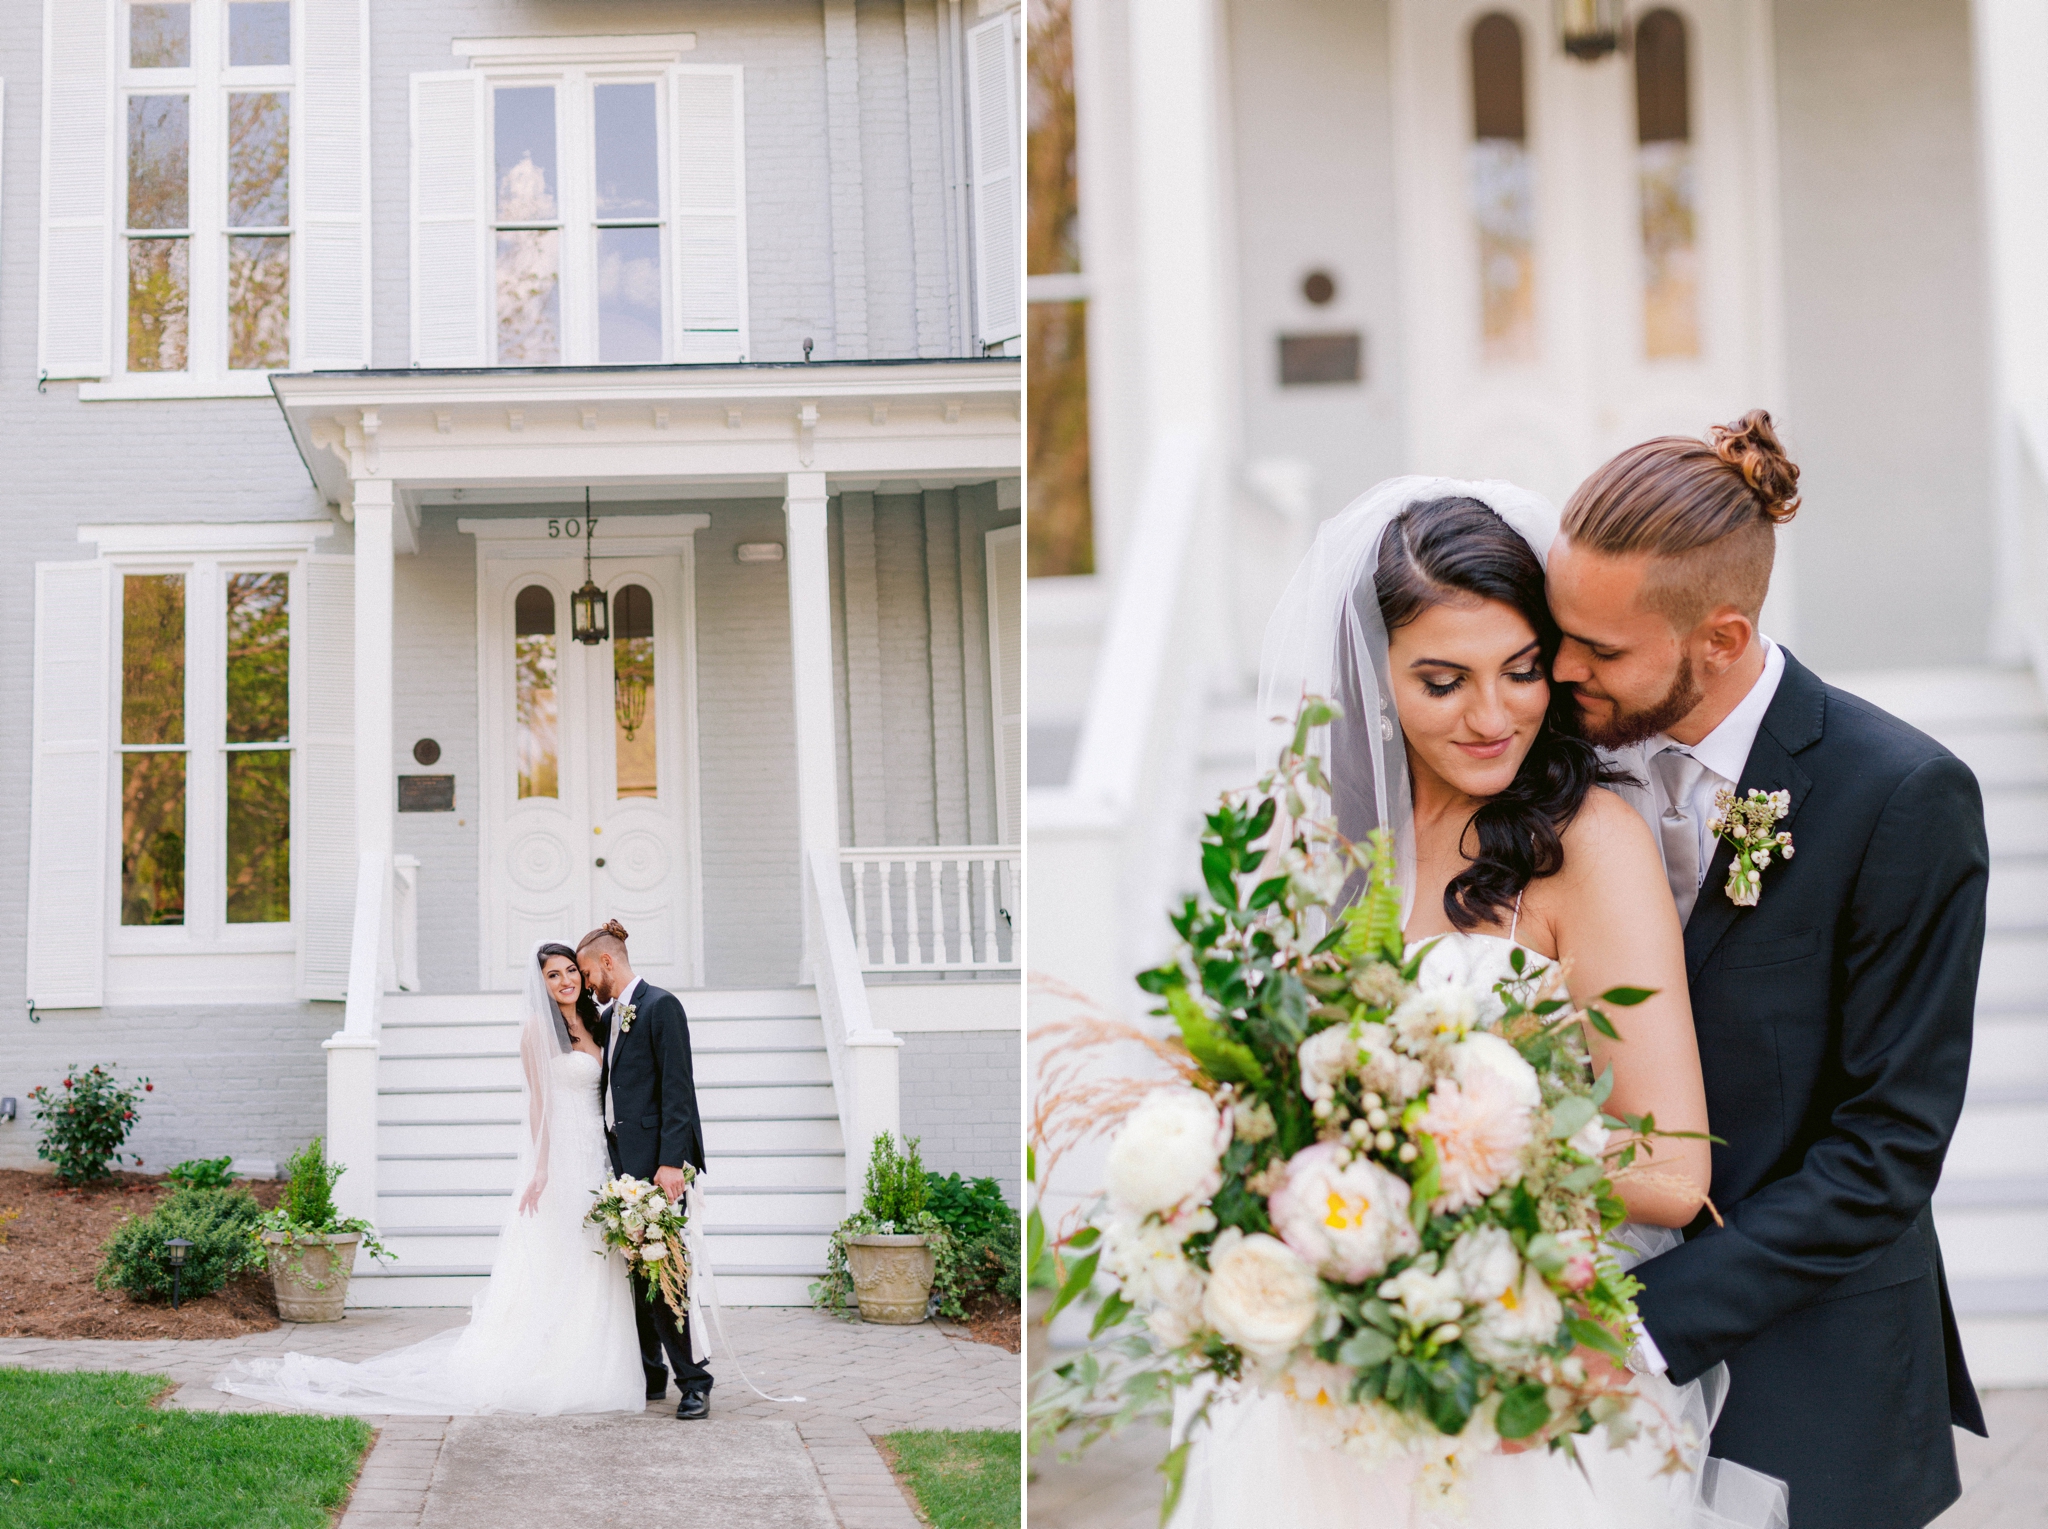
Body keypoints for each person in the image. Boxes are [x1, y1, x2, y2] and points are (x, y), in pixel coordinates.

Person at [1169, 479, 1790, 1525]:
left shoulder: (1586, 845)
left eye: (1520, 669)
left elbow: (1674, 1169)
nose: (1492, 713)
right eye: (1442, 680)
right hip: (1333, 1370)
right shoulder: (1311, 845)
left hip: (1527, 1373)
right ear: (1372, 677)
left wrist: (1438, 1161)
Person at [1545, 412, 1988, 1528]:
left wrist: (1642, 1319)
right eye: (1559, 632)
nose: (1559, 669)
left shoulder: (1899, 795)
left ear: (1722, 637)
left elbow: (1885, 1148)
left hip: (1816, 1368)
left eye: (1598, 651)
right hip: (1562, 1361)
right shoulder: (1548, 770)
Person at [214, 943, 643, 1415]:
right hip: (562, 1154)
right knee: (562, 1253)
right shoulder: (537, 1030)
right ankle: (550, 1363)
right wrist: (541, 1168)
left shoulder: (597, 1022)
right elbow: (537, 1104)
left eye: (569, 972)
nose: (565, 981)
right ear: (540, 984)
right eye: (552, 975)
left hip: (598, 1155)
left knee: (595, 1255)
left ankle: (594, 1358)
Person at [576, 919, 714, 1419]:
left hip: (658, 1168)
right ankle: (651, 1373)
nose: (589, 983)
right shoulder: (612, 1016)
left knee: (666, 1271)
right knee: (637, 1277)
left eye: (590, 972)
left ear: (608, 962)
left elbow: (678, 1089)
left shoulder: (661, 1007)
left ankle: (695, 1382)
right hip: (621, 1165)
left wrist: (671, 1163)